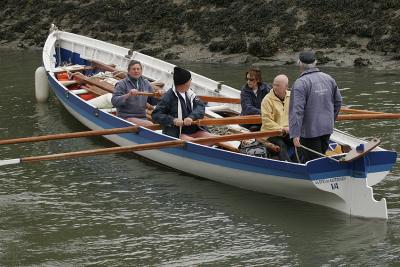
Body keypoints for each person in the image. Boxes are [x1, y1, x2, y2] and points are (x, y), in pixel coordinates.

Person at [289, 51, 342, 162]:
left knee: (314, 162)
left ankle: (317, 177)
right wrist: (331, 119)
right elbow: (338, 102)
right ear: (315, 62)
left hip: (310, 132)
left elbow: (297, 110)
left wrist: (295, 134)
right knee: (320, 157)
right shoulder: (329, 78)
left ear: (299, 63)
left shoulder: (300, 83)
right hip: (327, 128)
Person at [151, 66, 214, 141]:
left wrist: (191, 117)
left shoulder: (190, 93)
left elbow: (200, 106)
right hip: (178, 133)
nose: (191, 80)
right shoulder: (168, 97)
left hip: (195, 129)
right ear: (186, 83)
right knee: (194, 143)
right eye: (190, 79)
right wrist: (173, 120)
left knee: (216, 139)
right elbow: (156, 115)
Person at [111, 60, 158, 126]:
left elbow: (153, 102)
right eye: (133, 69)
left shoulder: (146, 83)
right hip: (126, 117)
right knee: (150, 124)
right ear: (128, 71)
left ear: (141, 71)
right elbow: (114, 102)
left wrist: (159, 95)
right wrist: (128, 95)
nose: (136, 71)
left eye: (138, 69)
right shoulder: (121, 84)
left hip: (142, 117)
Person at [260, 74, 293, 161]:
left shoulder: (292, 96)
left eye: (278, 85)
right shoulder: (267, 100)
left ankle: (302, 162)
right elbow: (267, 121)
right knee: (280, 144)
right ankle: (288, 166)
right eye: (274, 84)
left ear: (286, 87)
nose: (275, 87)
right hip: (270, 133)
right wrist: (282, 128)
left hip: (287, 131)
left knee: (301, 141)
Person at [240, 67, 271, 131]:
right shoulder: (244, 91)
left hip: (263, 118)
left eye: (251, 79)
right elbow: (247, 108)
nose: (248, 81)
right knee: (254, 128)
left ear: (258, 80)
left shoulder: (266, 89)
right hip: (248, 120)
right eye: (247, 79)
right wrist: (262, 112)